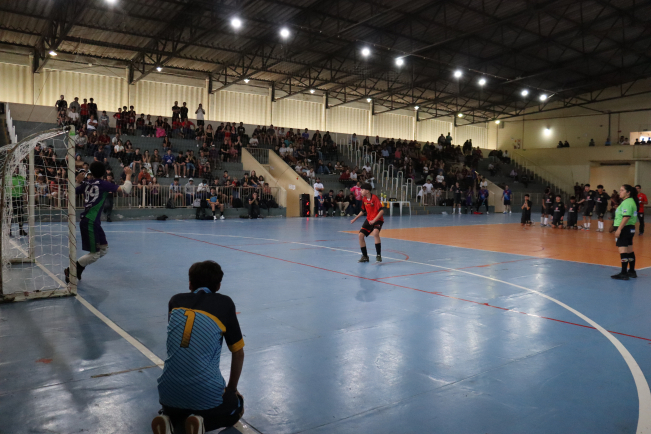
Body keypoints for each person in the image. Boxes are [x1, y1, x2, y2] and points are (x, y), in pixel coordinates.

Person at [152, 260, 245, 434]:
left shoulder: (175, 301)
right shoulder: (225, 304)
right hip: (205, 395)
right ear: (218, 286)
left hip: (167, 394)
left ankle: (168, 419)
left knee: (179, 402)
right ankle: (203, 423)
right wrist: (232, 390)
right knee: (236, 405)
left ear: (190, 284)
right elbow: (238, 353)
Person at [64, 164, 133, 284]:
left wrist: (78, 181)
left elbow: (69, 193)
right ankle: (72, 269)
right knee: (95, 254)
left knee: (103, 249)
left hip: (92, 221)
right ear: (104, 173)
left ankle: (78, 268)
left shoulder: (87, 183)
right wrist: (128, 175)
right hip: (90, 221)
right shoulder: (103, 184)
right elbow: (126, 189)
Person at [609, 185, 639, 280]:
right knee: (629, 250)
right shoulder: (630, 201)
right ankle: (632, 271)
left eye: (622, 190)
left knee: (623, 251)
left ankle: (624, 273)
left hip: (625, 229)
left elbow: (626, 216)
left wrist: (619, 229)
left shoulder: (627, 202)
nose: (620, 192)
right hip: (629, 228)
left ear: (628, 192)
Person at [350, 183, 384, 263]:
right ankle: (365, 256)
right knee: (360, 235)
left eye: (362, 190)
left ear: (367, 191)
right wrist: (355, 219)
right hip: (369, 219)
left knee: (375, 233)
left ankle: (378, 255)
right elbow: (363, 211)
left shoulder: (374, 198)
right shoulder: (364, 199)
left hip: (377, 219)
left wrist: (374, 220)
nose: (360, 191)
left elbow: (381, 211)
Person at [9, 169, 28, 237]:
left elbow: (25, 188)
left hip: (19, 198)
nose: (14, 170)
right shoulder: (7, 178)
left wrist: (26, 197)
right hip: (10, 198)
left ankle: (21, 230)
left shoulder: (22, 178)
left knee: (20, 214)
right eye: (13, 169)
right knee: (9, 215)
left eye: (16, 169)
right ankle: (9, 230)